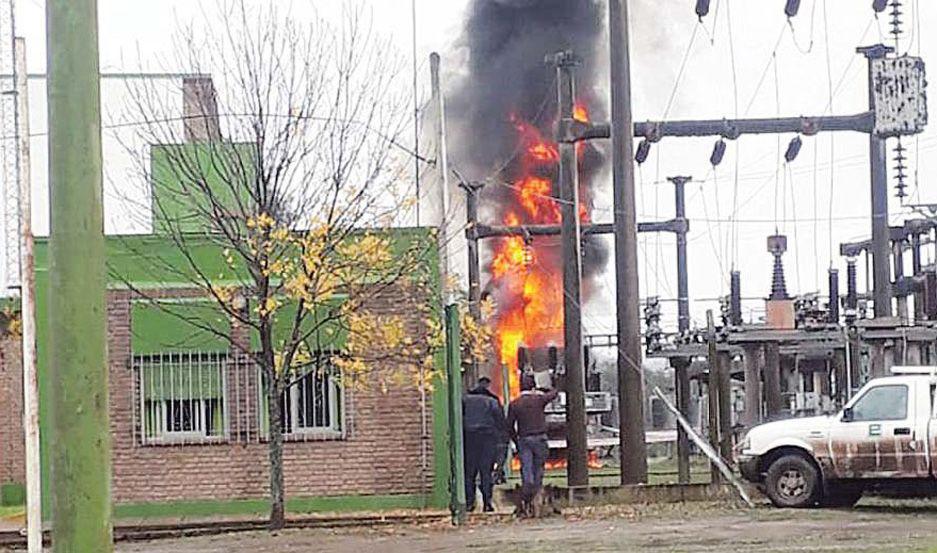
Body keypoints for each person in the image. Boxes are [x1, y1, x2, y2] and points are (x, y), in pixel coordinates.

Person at [507, 373, 558, 516]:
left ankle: (527, 494)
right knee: (539, 469)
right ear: (533, 387)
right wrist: (547, 388)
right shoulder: (539, 399)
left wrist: (516, 441)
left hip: (524, 439)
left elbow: (509, 426)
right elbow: (554, 394)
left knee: (526, 468)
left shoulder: (515, 404)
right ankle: (536, 496)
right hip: (540, 437)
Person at [463, 377, 508, 512]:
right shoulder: (492, 402)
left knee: (469, 473)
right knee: (486, 472)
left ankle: (470, 502)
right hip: (487, 439)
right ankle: (487, 502)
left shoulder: (465, 401)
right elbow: (501, 423)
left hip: (469, 439)